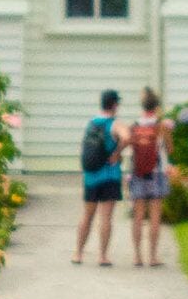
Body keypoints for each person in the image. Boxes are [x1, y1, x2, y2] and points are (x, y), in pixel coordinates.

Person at [73, 89, 124, 265]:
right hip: (110, 176)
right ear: (115, 104)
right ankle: (102, 256)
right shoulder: (114, 124)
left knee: (87, 215)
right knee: (106, 217)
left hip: (91, 176)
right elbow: (128, 137)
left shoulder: (91, 123)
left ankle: (78, 253)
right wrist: (117, 153)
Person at [123, 88, 171, 265]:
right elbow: (170, 150)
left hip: (138, 172)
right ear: (156, 106)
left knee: (138, 215)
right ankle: (152, 256)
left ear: (142, 106)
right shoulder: (161, 126)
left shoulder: (134, 125)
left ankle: (137, 256)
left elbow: (130, 150)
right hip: (157, 173)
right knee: (155, 215)